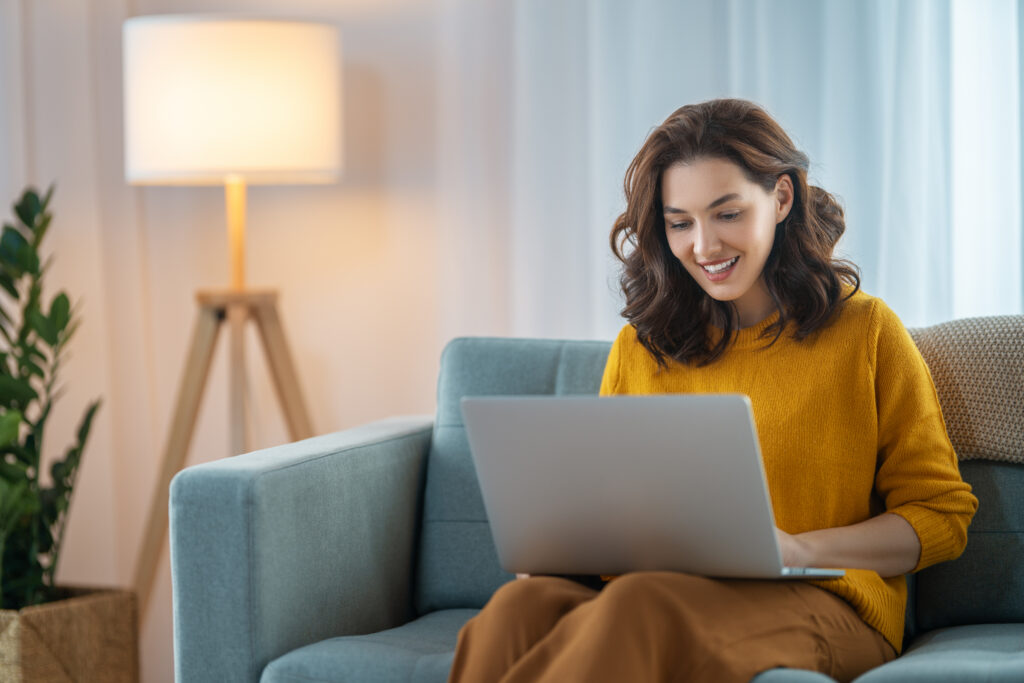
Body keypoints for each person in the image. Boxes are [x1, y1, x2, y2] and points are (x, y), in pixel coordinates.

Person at [447, 98, 978, 683]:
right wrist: (563, 548)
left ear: (781, 198)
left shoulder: (866, 331)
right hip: (659, 593)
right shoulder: (641, 347)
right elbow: (610, 508)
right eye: (680, 223)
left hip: (828, 608)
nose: (703, 246)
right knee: (516, 611)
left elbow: (941, 515)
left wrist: (800, 551)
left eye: (727, 214)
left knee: (642, 606)